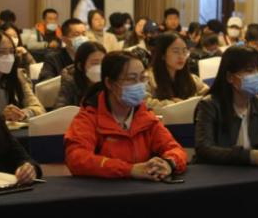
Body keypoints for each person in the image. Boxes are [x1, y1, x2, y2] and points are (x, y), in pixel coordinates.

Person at [64, 51, 187, 179]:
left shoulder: (145, 116)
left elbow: (175, 149)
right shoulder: (88, 118)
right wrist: (130, 170)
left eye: (142, 78)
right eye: (131, 79)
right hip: (101, 189)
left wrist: (168, 163)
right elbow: (77, 158)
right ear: (110, 83)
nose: (139, 85)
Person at [194, 45, 258, 167]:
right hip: (219, 172)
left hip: (255, 173)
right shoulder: (209, 105)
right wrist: (253, 157)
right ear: (230, 77)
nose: (257, 75)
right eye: (249, 70)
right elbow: (204, 149)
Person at [0, 30, 45, 122]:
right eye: (1, 52)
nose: (8, 57)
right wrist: (1, 117)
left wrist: (22, 113)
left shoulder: (18, 76)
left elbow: (39, 109)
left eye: (11, 52)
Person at [146, 32, 209, 111]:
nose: (181, 56)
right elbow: (145, 103)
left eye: (184, 51)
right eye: (176, 51)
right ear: (162, 54)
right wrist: (174, 105)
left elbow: (209, 95)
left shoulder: (191, 78)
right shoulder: (149, 79)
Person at [56, 41, 106, 109]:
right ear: (80, 66)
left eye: (103, 62)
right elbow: (60, 109)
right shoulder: (70, 82)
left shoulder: (109, 80)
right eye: (95, 63)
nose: (100, 67)